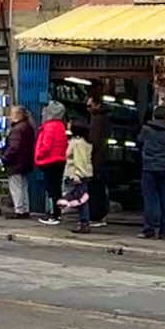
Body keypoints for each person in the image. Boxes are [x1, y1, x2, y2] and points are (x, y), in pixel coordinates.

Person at [137, 103, 165, 240]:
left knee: (150, 199)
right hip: (164, 167)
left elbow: (139, 142)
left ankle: (149, 229)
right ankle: (164, 231)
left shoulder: (146, 129)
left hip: (149, 167)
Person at [35, 101, 69, 226]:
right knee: (56, 188)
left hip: (50, 160)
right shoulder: (61, 126)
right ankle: (57, 213)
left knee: (51, 189)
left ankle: (53, 214)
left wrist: (39, 154)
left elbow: (46, 145)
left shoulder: (49, 126)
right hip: (59, 160)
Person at [1, 105, 35, 217]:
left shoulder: (17, 129)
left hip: (16, 162)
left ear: (18, 115)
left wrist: (4, 158)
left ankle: (19, 210)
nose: (10, 117)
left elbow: (13, 147)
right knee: (23, 185)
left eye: (12, 114)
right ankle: (25, 209)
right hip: (25, 161)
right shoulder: (28, 127)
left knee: (16, 187)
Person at [85, 81, 110, 225]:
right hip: (102, 158)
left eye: (89, 106)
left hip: (96, 160)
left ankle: (96, 215)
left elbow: (94, 141)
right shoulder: (104, 117)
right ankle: (100, 214)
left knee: (95, 188)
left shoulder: (97, 119)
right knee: (99, 187)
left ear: (95, 105)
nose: (87, 109)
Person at [62, 120, 93, 233]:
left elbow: (79, 160)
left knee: (81, 200)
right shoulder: (85, 142)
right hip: (83, 173)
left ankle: (84, 223)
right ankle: (83, 223)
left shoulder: (77, 143)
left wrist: (78, 175)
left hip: (76, 174)